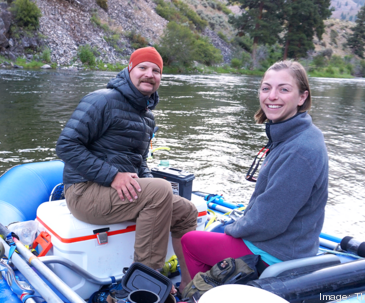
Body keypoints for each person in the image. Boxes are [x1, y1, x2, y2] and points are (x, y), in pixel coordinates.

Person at [55, 47, 198, 292]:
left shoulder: (147, 117)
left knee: (185, 210)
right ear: (130, 70)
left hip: (120, 193)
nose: (149, 74)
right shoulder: (102, 100)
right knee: (160, 190)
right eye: (143, 67)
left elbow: (140, 162)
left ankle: (189, 284)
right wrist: (112, 176)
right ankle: (146, 284)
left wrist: (156, 190)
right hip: (85, 191)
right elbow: (66, 146)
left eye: (156, 70)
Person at [181, 60, 329, 283]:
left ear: (302, 97)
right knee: (218, 231)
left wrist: (233, 228)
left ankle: (198, 293)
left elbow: (268, 222)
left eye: (284, 89)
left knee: (190, 242)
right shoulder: (295, 135)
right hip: (289, 242)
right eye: (266, 88)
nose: (272, 96)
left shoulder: (299, 151)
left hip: (278, 253)